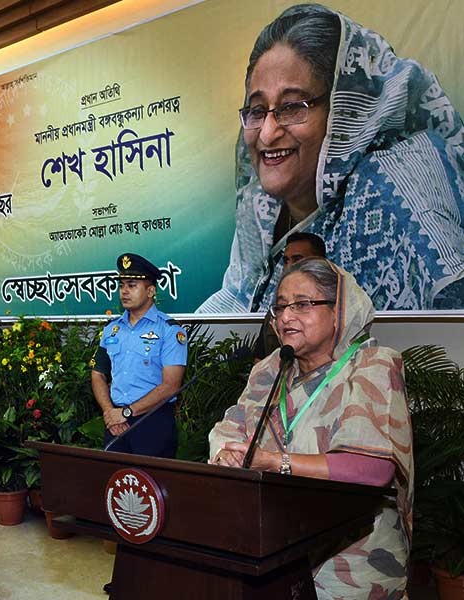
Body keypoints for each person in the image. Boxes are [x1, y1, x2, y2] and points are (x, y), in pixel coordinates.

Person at [198, 3, 464, 313]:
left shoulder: (394, 185)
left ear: (345, 111)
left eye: (292, 107)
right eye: (257, 110)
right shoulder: (260, 209)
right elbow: (235, 306)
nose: (267, 134)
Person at [209, 258, 412, 599]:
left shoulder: (372, 365)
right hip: (274, 550)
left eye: (302, 304)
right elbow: (231, 425)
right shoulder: (270, 369)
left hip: (350, 561)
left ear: (338, 311)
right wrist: (227, 453)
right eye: (280, 306)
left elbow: (372, 469)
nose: (286, 317)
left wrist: (275, 462)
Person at [91, 253, 187, 458]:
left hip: (152, 422)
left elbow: (171, 386)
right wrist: (110, 413)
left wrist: (126, 412)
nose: (124, 291)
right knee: (115, 478)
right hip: (115, 423)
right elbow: (98, 374)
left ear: (151, 291)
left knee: (151, 479)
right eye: (121, 285)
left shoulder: (170, 330)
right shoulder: (111, 330)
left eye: (132, 285)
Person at [252, 232, 326, 360]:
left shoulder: (336, 306)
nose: (289, 266)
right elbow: (259, 359)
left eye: (297, 259)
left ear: (319, 262)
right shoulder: (276, 310)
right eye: (286, 260)